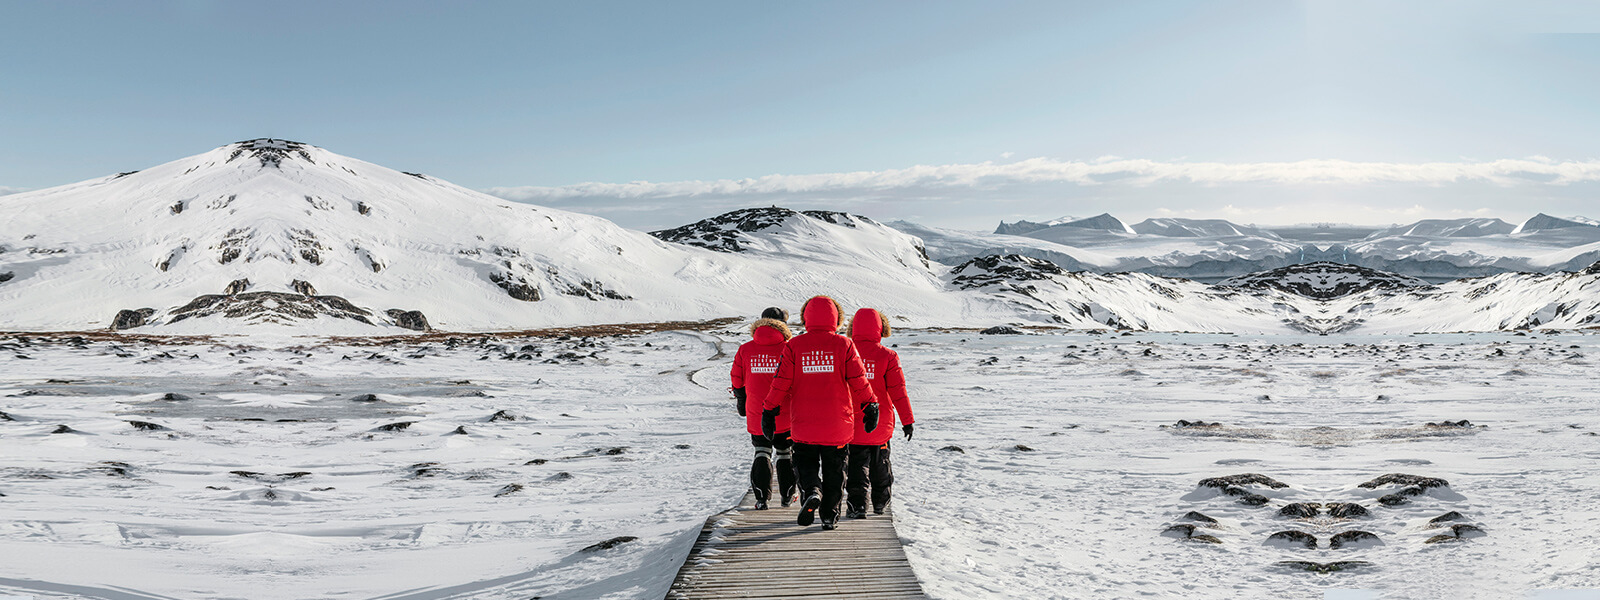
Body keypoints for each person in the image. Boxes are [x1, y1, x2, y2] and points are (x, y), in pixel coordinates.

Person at [762, 296, 880, 530]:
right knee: (835, 471)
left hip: (804, 423)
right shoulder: (845, 345)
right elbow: (859, 380)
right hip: (837, 424)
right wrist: (871, 405)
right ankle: (829, 515)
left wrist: (768, 409)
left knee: (805, 463)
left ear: (806, 317)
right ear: (836, 318)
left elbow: (780, 383)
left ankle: (811, 491)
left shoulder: (794, 346)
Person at [844, 308, 915, 518]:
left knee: (856, 466)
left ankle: (857, 505)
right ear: (881, 328)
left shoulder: (845, 351)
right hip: (881, 422)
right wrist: (907, 420)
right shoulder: (888, 356)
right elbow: (899, 392)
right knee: (880, 464)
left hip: (851, 421)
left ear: (853, 327)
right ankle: (880, 502)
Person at [731, 307, 795, 509]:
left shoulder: (746, 349)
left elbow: (736, 378)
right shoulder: (790, 348)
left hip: (756, 412)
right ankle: (787, 497)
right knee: (785, 453)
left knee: (761, 452)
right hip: (785, 412)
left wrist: (741, 400)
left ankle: (761, 499)